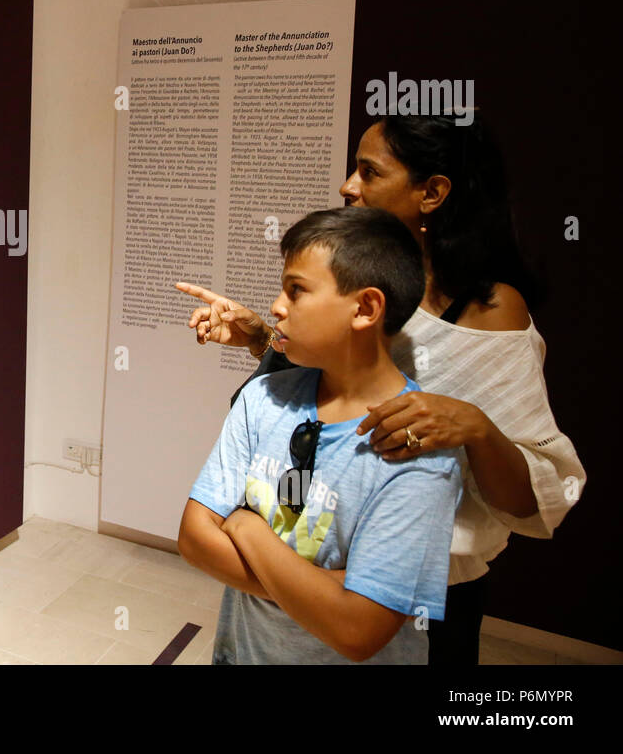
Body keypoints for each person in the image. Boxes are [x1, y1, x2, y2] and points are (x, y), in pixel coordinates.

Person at [177, 113, 585, 664]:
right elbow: (336, 382)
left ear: (432, 192)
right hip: (292, 571)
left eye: (369, 171)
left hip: (417, 593)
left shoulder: (489, 312)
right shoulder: (349, 294)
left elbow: (538, 492)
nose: (349, 186)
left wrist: (477, 429)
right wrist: (263, 341)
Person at [179, 206, 463, 663]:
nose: (276, 306)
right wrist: (330, 593)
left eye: (297, 290)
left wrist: (244, 526)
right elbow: (194, 538)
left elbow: (358, 632)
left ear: (366, 308)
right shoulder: (263, 399)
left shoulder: (417, 452)